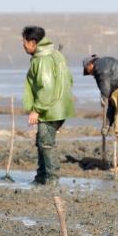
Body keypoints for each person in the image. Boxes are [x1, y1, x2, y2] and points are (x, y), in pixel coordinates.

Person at [21, 26, 75, 185]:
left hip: (50, 109)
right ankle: (41, 177)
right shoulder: (56, 54)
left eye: (24, 42)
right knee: (42, 140)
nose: (23, 45)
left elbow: (46, 87)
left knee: (46, 143)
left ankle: (52, 179)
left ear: (32, 42)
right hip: (60, 107)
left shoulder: (43, 59)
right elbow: (70, 79)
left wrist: (36, 110)